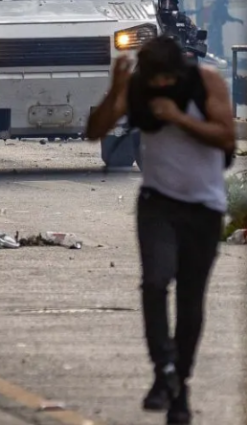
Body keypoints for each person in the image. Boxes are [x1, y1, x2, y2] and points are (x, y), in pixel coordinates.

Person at [85, 36, 234, 425]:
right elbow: (94, 130)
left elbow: (226, 137)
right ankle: (163, 367)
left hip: (205, 208)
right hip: (157, 204)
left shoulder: (207, 81)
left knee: (190, 299)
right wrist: (117, 89)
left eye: (169, 80)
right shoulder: (139, 85)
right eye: (156, 81)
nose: (162, 87)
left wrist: (178, 117)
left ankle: (179, 387)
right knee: (154, 281)